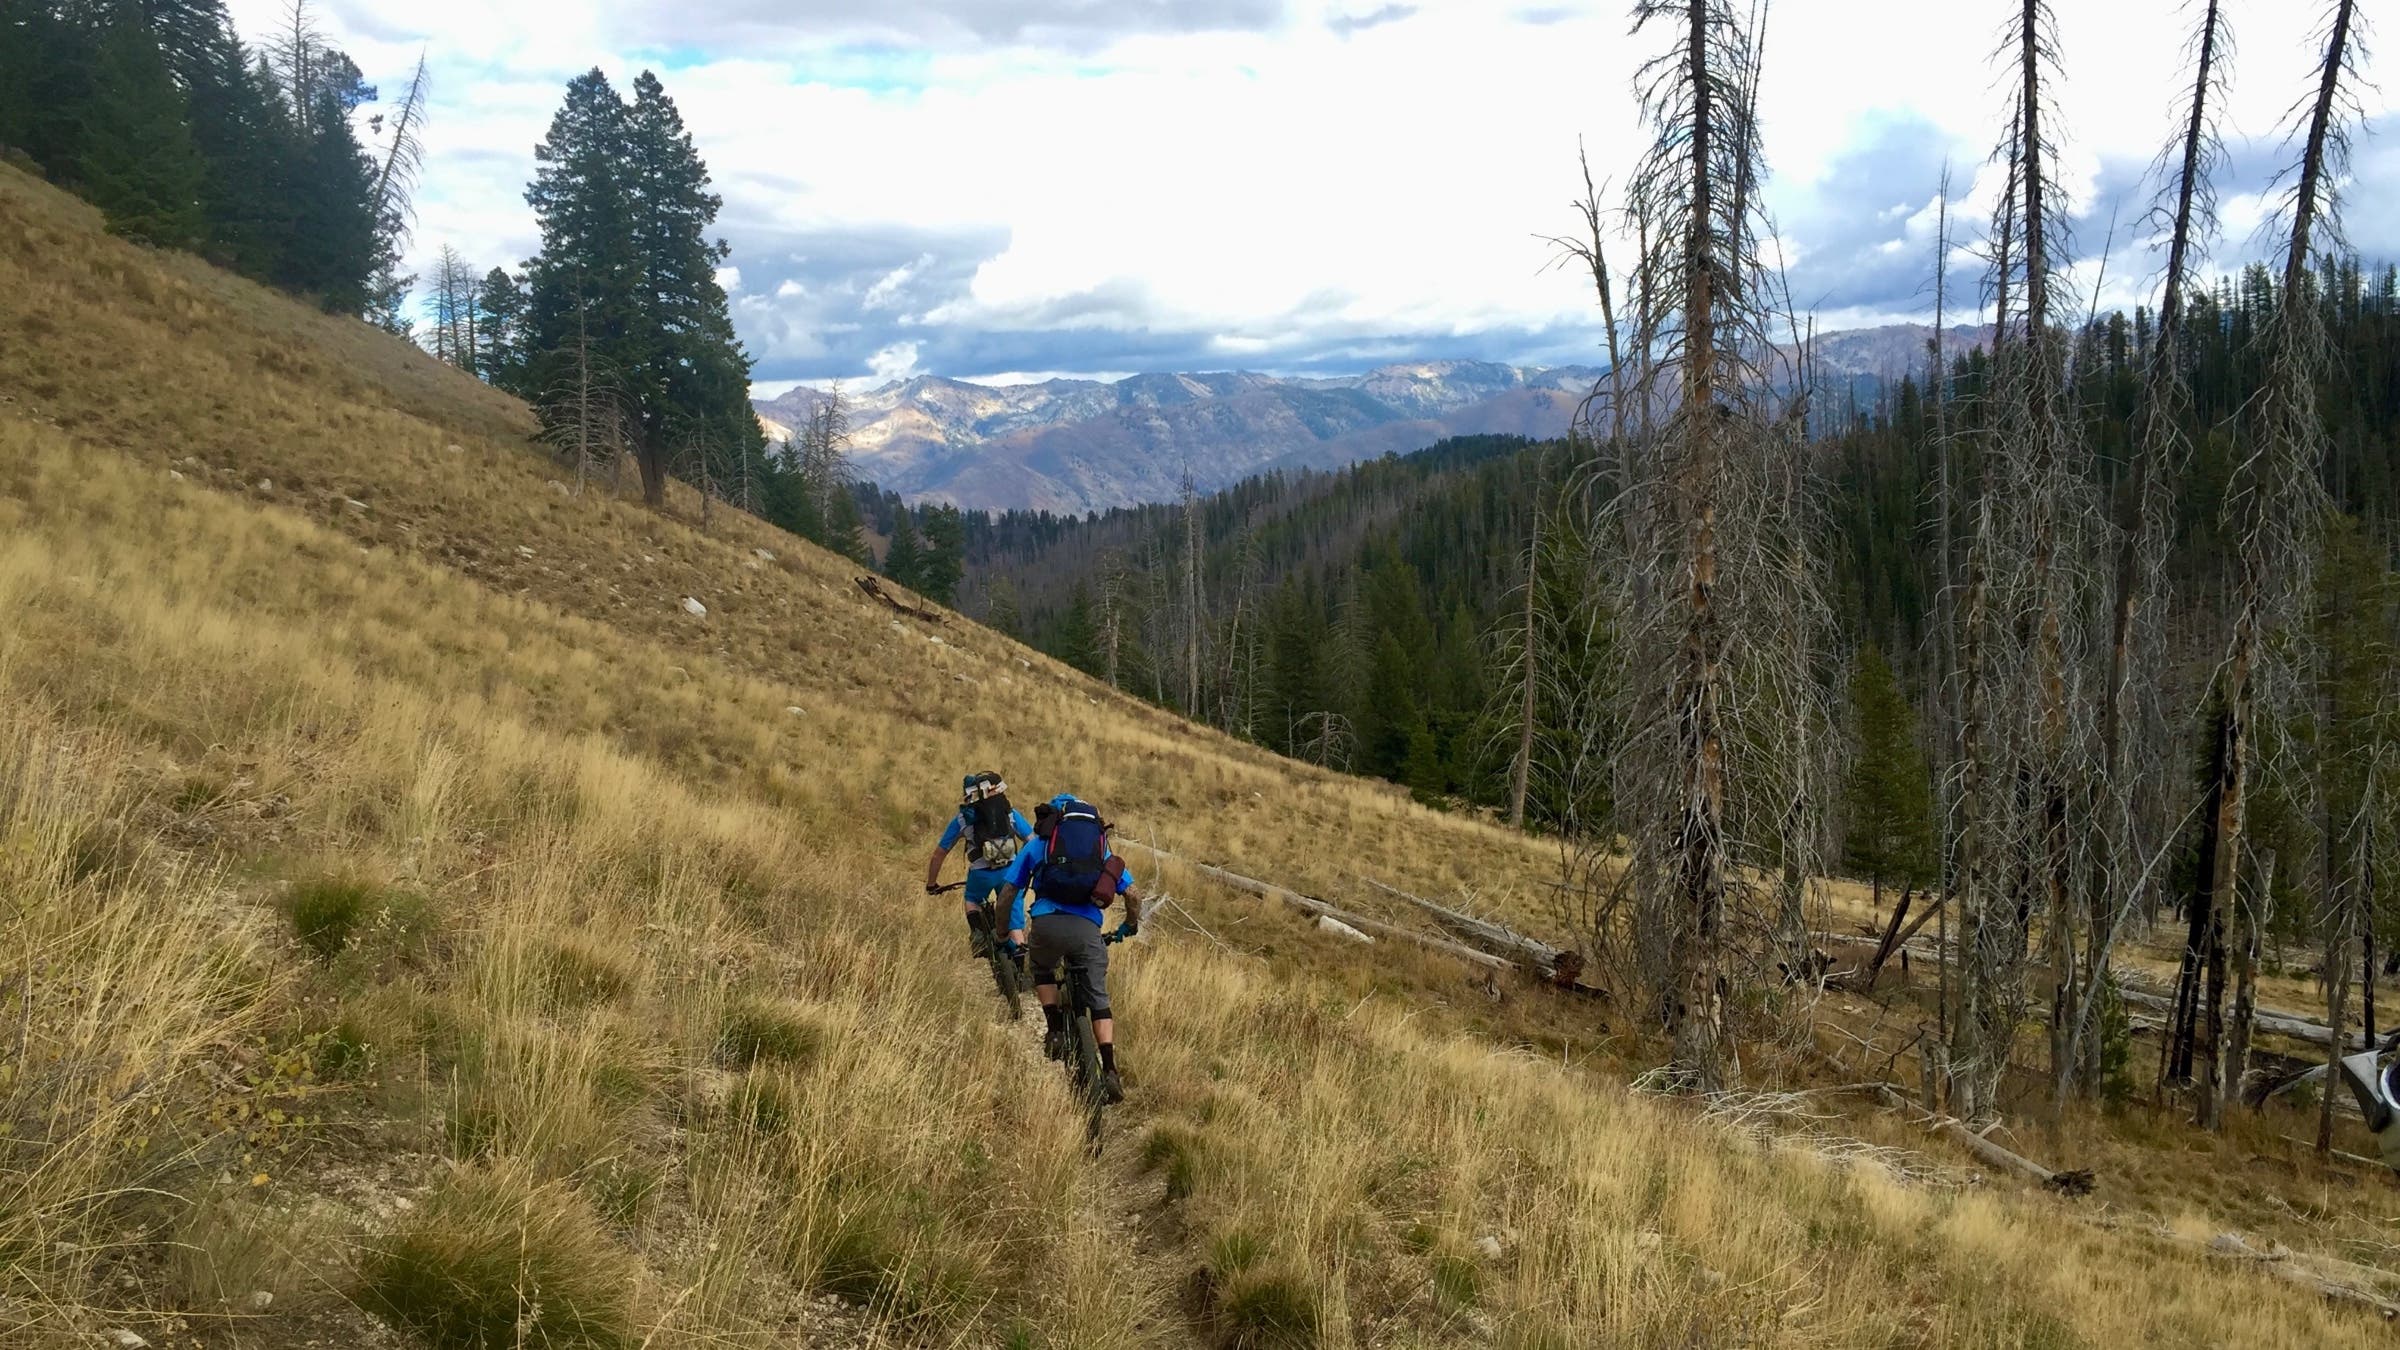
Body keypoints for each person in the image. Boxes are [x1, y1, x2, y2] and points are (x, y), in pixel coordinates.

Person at [999, 794, 1138, 1104]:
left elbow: (1009, 893)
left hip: (1047, 925)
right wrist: (1130, 925)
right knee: (1098, 997)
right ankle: (1111, 1069)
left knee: (1043, 968)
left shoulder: (1039, 844)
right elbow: (1132, 894)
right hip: (1087, 930)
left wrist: (1001, 931)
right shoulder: (1100, 848)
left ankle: (1055, 1029)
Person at [925, 772, 1033, 959]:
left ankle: (978, 934)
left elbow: (939, 853)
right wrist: (1024, 865)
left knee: (972, 899)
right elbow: (1031, 840)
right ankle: (1018, 962)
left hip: (980, 873)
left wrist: (931, 883)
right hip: (1011, 872)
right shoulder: (1009, 813)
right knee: (1013, 916)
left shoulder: (963, 818)